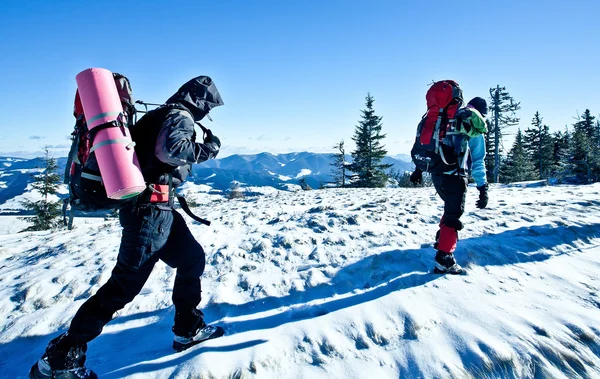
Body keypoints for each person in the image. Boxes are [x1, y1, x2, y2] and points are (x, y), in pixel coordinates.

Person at [30, 76, 224, 379]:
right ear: (201, 102)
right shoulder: (180, 116)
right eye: (208, 108)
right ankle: (59, 361)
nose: (206, 114)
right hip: (149, 213)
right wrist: (207, 149)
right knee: (123, 287)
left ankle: (188, 328)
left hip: (158, 210)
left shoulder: (157, 115)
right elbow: (170, 151)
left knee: (191, 259)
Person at [410, 97, 489, 275]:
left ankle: (442, 239)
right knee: (453, 216)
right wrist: (483, 187)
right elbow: (477, 161)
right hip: (455, 176)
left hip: (437, 174)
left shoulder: (442, 119)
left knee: (449, 209)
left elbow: (425, 145)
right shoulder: (471, 125)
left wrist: (418, 170)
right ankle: (444, 258)